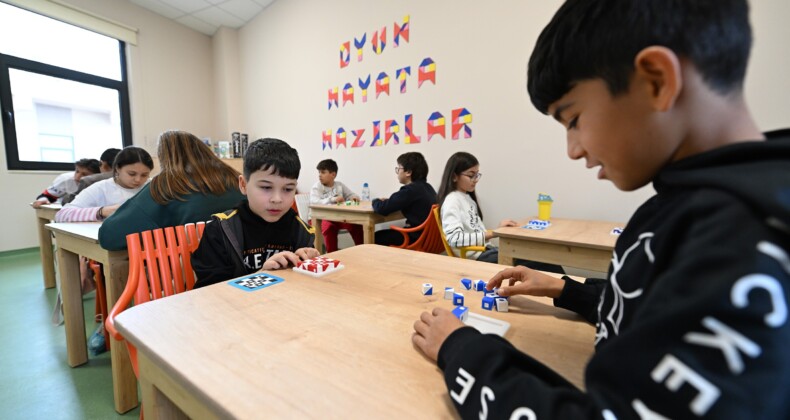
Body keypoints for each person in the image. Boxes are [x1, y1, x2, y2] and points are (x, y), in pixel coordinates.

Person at [412, 1, 790, 418]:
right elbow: (650, 309)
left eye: (573, 119)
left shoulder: (740, 244)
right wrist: (566, 289)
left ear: (656, 81)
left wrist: (462, 351)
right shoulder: (692, 204)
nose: (573, 150)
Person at [192, 138, 319, 288]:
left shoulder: (301, 230)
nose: (277, 199)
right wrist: (261, 276)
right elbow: (210, 291)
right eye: (266, 187)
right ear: (243, 185)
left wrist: (310, 263)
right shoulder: (221, 230)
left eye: (288, 189)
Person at [98, 130, 245, 250]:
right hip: (244, 264)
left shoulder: (167, 185)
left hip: (188, 270)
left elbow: (109, 236)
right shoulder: (235, 179)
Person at [436, 152, 518, 263]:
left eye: (477, 175)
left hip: (487, 251)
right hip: (478, 257)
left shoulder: (467, 198)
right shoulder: (452, 201)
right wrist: (493, 233)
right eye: (471, 175)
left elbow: (476, 232)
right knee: (531, 260)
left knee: (527, 256)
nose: (475, 179)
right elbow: (455, 239)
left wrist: (497, 230)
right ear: (454, 176)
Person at [55, 146, 153, 222]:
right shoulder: (101, 188)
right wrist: (101, 211)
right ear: (117, 168)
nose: (138, 180)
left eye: (144, 175)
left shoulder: (152, 186)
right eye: (131, 174)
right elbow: (62, 215)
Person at [371, 152, 437, 246]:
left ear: (408, 172)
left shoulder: (410, 190)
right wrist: (390, 201)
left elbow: (382, 208)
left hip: (415, 238)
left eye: (399, 168)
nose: (397, 172)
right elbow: (400, 201)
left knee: (374, 237)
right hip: (429, 239)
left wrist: (375, 200)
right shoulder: (428, 187)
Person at [309, 159, 364, 252]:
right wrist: (332, 199)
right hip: (319, 218)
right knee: (329, 227)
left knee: (356, 224)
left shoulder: (339, 185)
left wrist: (354, 198)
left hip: (337, 217)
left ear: (333, 175)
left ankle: (362, 251)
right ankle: (332, 254)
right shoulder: (317, 187)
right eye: (319, 172)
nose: (319, 175)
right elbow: (314, 202)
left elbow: (352, 195)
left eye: (323, 172)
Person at [30, 158, 101, 208]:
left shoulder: (101, 182)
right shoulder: (65, 179)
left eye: (84, 174)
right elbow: (47, 196)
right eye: (77, 171)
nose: (77, 176)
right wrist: (43, 200)